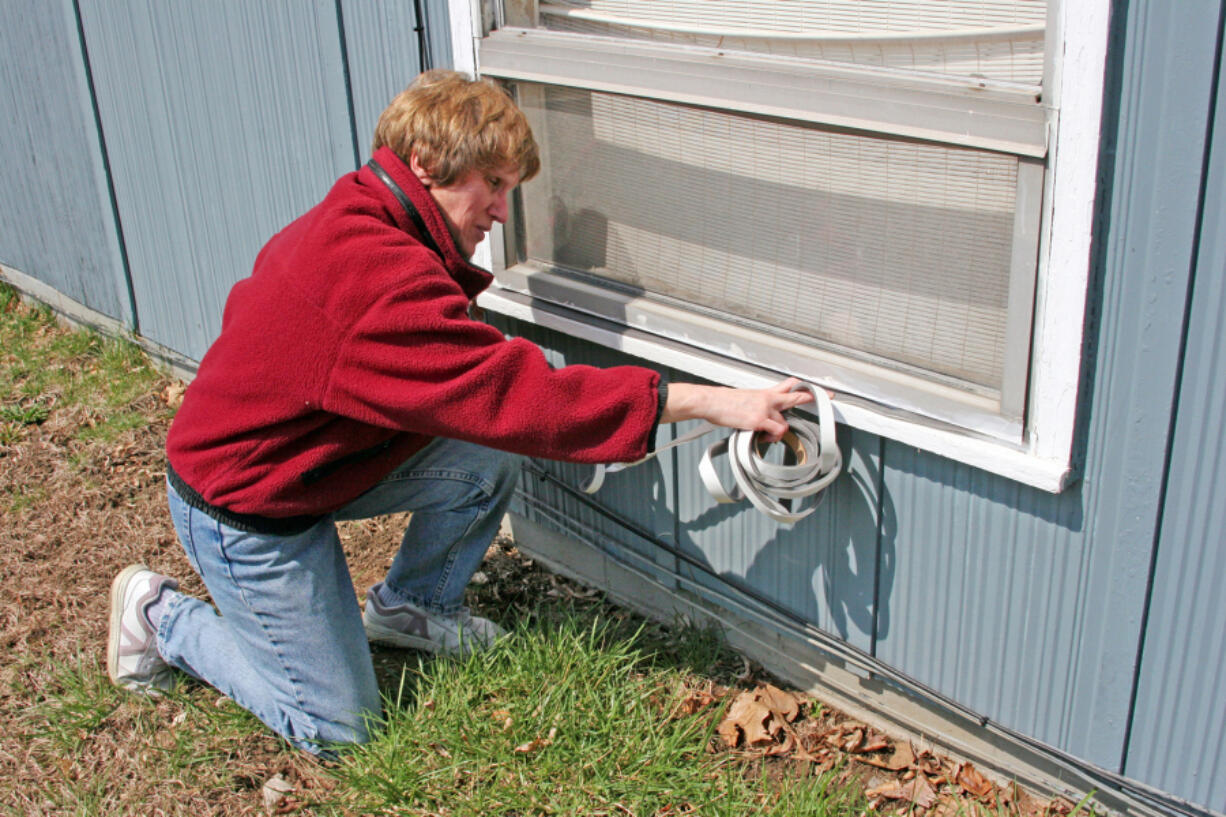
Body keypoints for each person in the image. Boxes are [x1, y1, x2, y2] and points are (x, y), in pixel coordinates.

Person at [106, 70, 814, 756]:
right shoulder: (371, 275)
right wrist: (713, 401)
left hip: (313, 458)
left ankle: (409, 607)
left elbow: (482, 399)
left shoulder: (373, 213)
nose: (504, 211)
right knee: (336, 729)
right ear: (428, 162)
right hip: (247, 500)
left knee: (483, 450)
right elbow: (517, 395)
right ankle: (160, 617)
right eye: (496, 185)